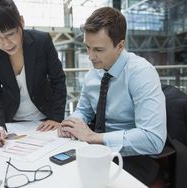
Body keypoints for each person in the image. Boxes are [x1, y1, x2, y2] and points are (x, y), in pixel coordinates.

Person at [58, 7, 167, 187]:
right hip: (97, 153)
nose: (91, 57)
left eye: (99, 50)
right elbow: (83, 111)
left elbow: (153, 139)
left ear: (120, 46)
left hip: (134, 159)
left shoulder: (141, 73)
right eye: (87, 47)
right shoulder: (92, 75)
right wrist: (71, 124)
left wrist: (94, 138)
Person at [0, 0, 67, 147]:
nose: (6, 44)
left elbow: (58, 80)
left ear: (21, 21)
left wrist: (56, 118)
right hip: (12, 123)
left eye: (10, 34)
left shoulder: (42, 41)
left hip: (46, 120)